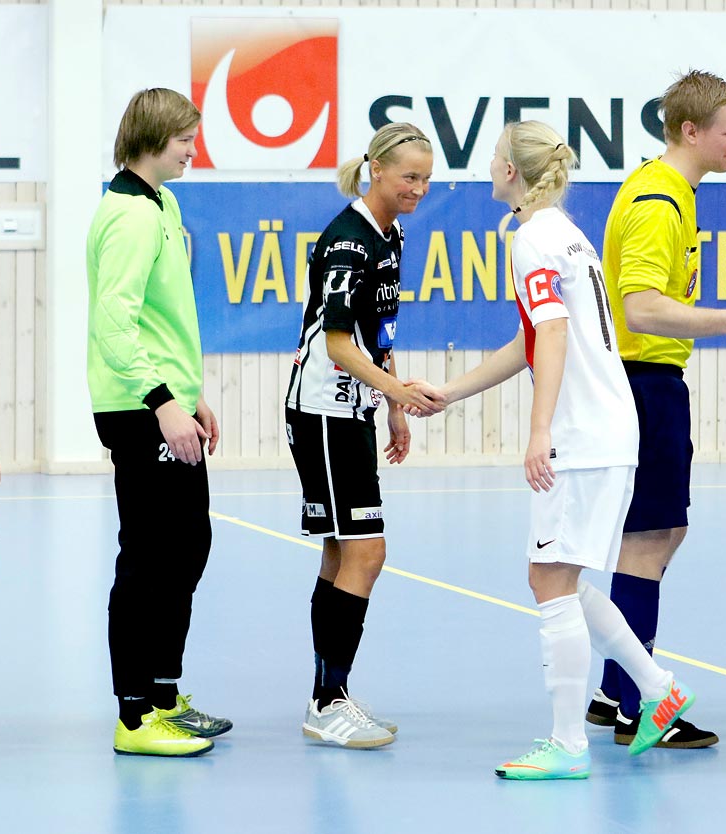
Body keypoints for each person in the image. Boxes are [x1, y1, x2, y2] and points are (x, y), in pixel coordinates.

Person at [411, 122, 695, 779]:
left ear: (511, 171)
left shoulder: (532, 238)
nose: (486, 168)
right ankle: (657, 689)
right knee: (559, 576)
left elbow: (555, 336)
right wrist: (451, 392)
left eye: (492, 159)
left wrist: (540, 431)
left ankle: (569, 744)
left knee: (550, 582)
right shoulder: (561, 232)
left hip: (582, 434)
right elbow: (533, 340)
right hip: (607, 428)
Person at [588, 69, 726, 748]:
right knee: (649, 540)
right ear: (691, 131)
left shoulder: (669, 189)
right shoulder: (660, 201)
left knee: (656, 536)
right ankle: (636, 707)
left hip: (650, 379)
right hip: (643, 379)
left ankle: (613, 691)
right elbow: (641, 305)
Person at [285, 122, 442, 749]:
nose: (419, 188)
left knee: (340, 552)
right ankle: (328, 702)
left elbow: (381, 332)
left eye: (427, 178)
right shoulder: (349, 242)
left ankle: (330, 694)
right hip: (323, 411)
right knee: (366, 553)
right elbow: (340, 343)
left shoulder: (391, 234)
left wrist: (392, 407)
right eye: (410, 176)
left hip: (352, 410)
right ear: (376, 169)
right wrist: (398, 391)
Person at [87, 88, 230, 758]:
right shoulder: (126, 216)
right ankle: (134, 715)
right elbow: (113, 322)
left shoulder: (164, 205)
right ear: (152, 137)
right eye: (185, 139)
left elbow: (158, 316)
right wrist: (161, 401)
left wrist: (188, 393)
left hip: (166, 401)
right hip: (136, 409)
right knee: (147, 556)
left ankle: (166, 694)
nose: (193, 150)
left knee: (187, 547)